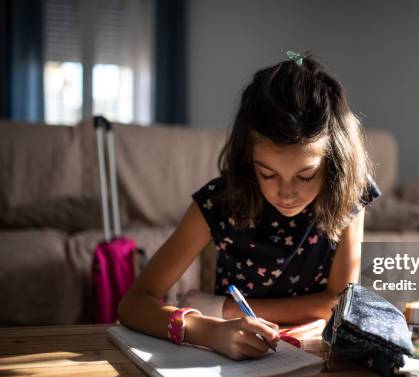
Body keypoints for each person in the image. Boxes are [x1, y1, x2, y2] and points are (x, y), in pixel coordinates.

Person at [118, 51, 381, 360]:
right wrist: (208, 329)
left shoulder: (348, 194)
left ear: (333, 166)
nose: (286, 193)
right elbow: (133, 303)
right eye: (267, 173)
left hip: (308, 356)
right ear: (248, 160)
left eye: (306, 176)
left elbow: (340, 301)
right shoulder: (220, 203)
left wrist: (223, 309)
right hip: (229, 358)